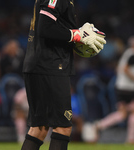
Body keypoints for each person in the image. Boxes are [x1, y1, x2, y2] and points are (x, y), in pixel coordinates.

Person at [21, 0, 106, 150]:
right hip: (51, 66)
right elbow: (45, 28)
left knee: (38, 129)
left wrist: (76, 36)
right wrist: (76, 35)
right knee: (63, 127)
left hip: (38, 64)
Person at [95, 36, 134, 144]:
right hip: (129, 89)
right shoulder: (133, 55)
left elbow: (118, 69)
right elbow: (126, 69)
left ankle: (100, 125)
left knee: (123, 114)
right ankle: (131, 138)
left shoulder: (126, 54)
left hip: (121, 88)